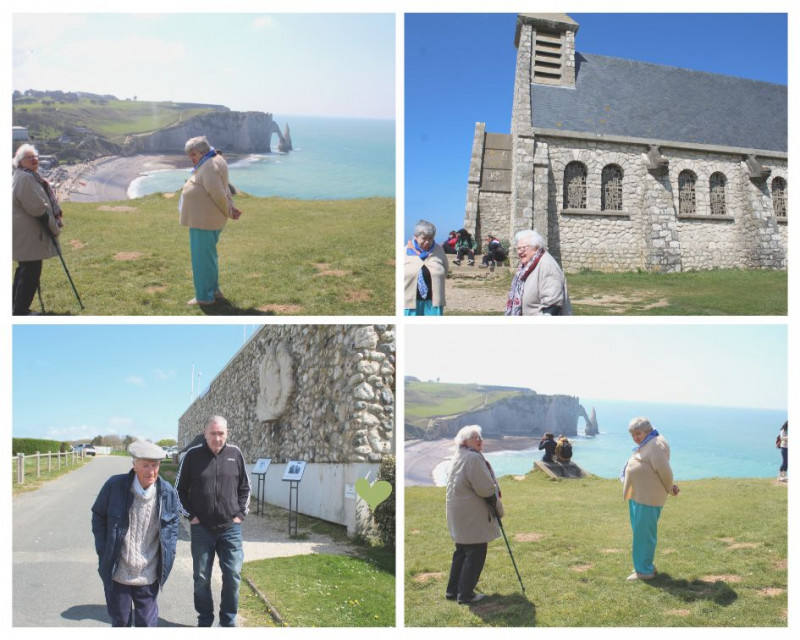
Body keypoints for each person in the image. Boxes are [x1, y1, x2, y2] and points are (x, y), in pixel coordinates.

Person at [91, 441, 180, 627]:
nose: (151, 471)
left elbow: (172, 527)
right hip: (118, 573)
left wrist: (169, 554)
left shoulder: (167, 493)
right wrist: (103, 549)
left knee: (146, 625)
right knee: (121, 622)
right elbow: (98, 515)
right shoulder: (114, 486)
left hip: (148, 574)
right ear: (134, 464)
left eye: (155, 465)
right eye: (145, 465)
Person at [176, 415, 251, 627]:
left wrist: (240, 515)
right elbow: (179, 490)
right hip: (202, 529)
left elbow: (245, 487)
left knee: (233, 575)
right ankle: (205, 621)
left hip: (230, 529)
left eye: (221, 433)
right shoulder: (192, 455)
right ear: (205, 433)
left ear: (226, 434)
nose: (217, 438)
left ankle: (227, 622)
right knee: (201, 578)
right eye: (213, 433)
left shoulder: (235, 454)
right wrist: (192, 516)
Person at [179, 136, 242, 306]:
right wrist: (231, 207)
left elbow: (218, 194)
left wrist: (230, 210)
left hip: (204, 221)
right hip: (206, 219)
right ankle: (214, 290)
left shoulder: (208, 166)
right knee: (209, 256)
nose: (191, 158)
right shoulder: (214, 158)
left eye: (193, 154)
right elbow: (224, 187)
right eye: (189, 155)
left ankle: (204, 297)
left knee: (201, 259)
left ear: (203, 151)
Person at [445, 425, 502, 604]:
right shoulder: (473, 458)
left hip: (459, 513)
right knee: (476, 553)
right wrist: (497, 503)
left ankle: (452, 591)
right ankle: (466, 594)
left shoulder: (458, 456)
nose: (480, 440)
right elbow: (485, 489)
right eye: (474, 437)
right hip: (472, 514)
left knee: (461, 551)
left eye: (480, 437)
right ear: (464, 441)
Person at [621, 417, 679, 581]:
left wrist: (670, 488)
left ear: (647, 431)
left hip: (647, 498)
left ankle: (644, 571)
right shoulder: (649, 442)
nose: (635, 437)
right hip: (639, 495)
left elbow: (665, 471)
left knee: (644, 535)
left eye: (638, 433)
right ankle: (646, 565)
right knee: (641, 533)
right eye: (633, 434)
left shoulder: (655, 445)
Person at [12, 144, 63, 316]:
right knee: (31, 272)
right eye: (29, 157)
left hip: (25, 234)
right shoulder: (26, 178)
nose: (34, 160)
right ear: (20, 161)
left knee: (25, 269)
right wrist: (53, 227)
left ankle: (15, 308)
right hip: (29, 234)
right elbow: (37, 208)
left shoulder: (24, 175)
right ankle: (20, 311)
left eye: (35, 157)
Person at [505, 229, 572, 316]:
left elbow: (552, 305)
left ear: (536, 247)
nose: (519, 252)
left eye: (523, 248)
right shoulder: (527, 266)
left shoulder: (547, 265)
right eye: (518, 248)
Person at [404, 219, 448, 316]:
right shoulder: (405, 252)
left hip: (433, 303)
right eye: (424, 238)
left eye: (431, 238)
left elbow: (445, 270)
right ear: (415, 237)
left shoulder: (439, 251)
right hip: (409, 303)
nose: (427, 242)